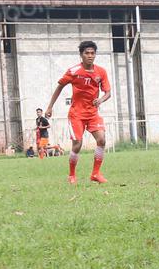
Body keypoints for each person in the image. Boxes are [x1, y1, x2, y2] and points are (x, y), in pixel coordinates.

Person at [45, 40, 111, 184]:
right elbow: (59, 87)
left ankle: (95, 174)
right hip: (76, 114)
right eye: (87, 53)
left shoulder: (101, 72)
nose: (90, 56)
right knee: (77, 145)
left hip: (93, 114)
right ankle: (72, 175)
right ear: (81, 55)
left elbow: (108, 92)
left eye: (92, 53)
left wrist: (101, 100)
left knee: (102, 140)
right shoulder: (74, 71)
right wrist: (50, 107)